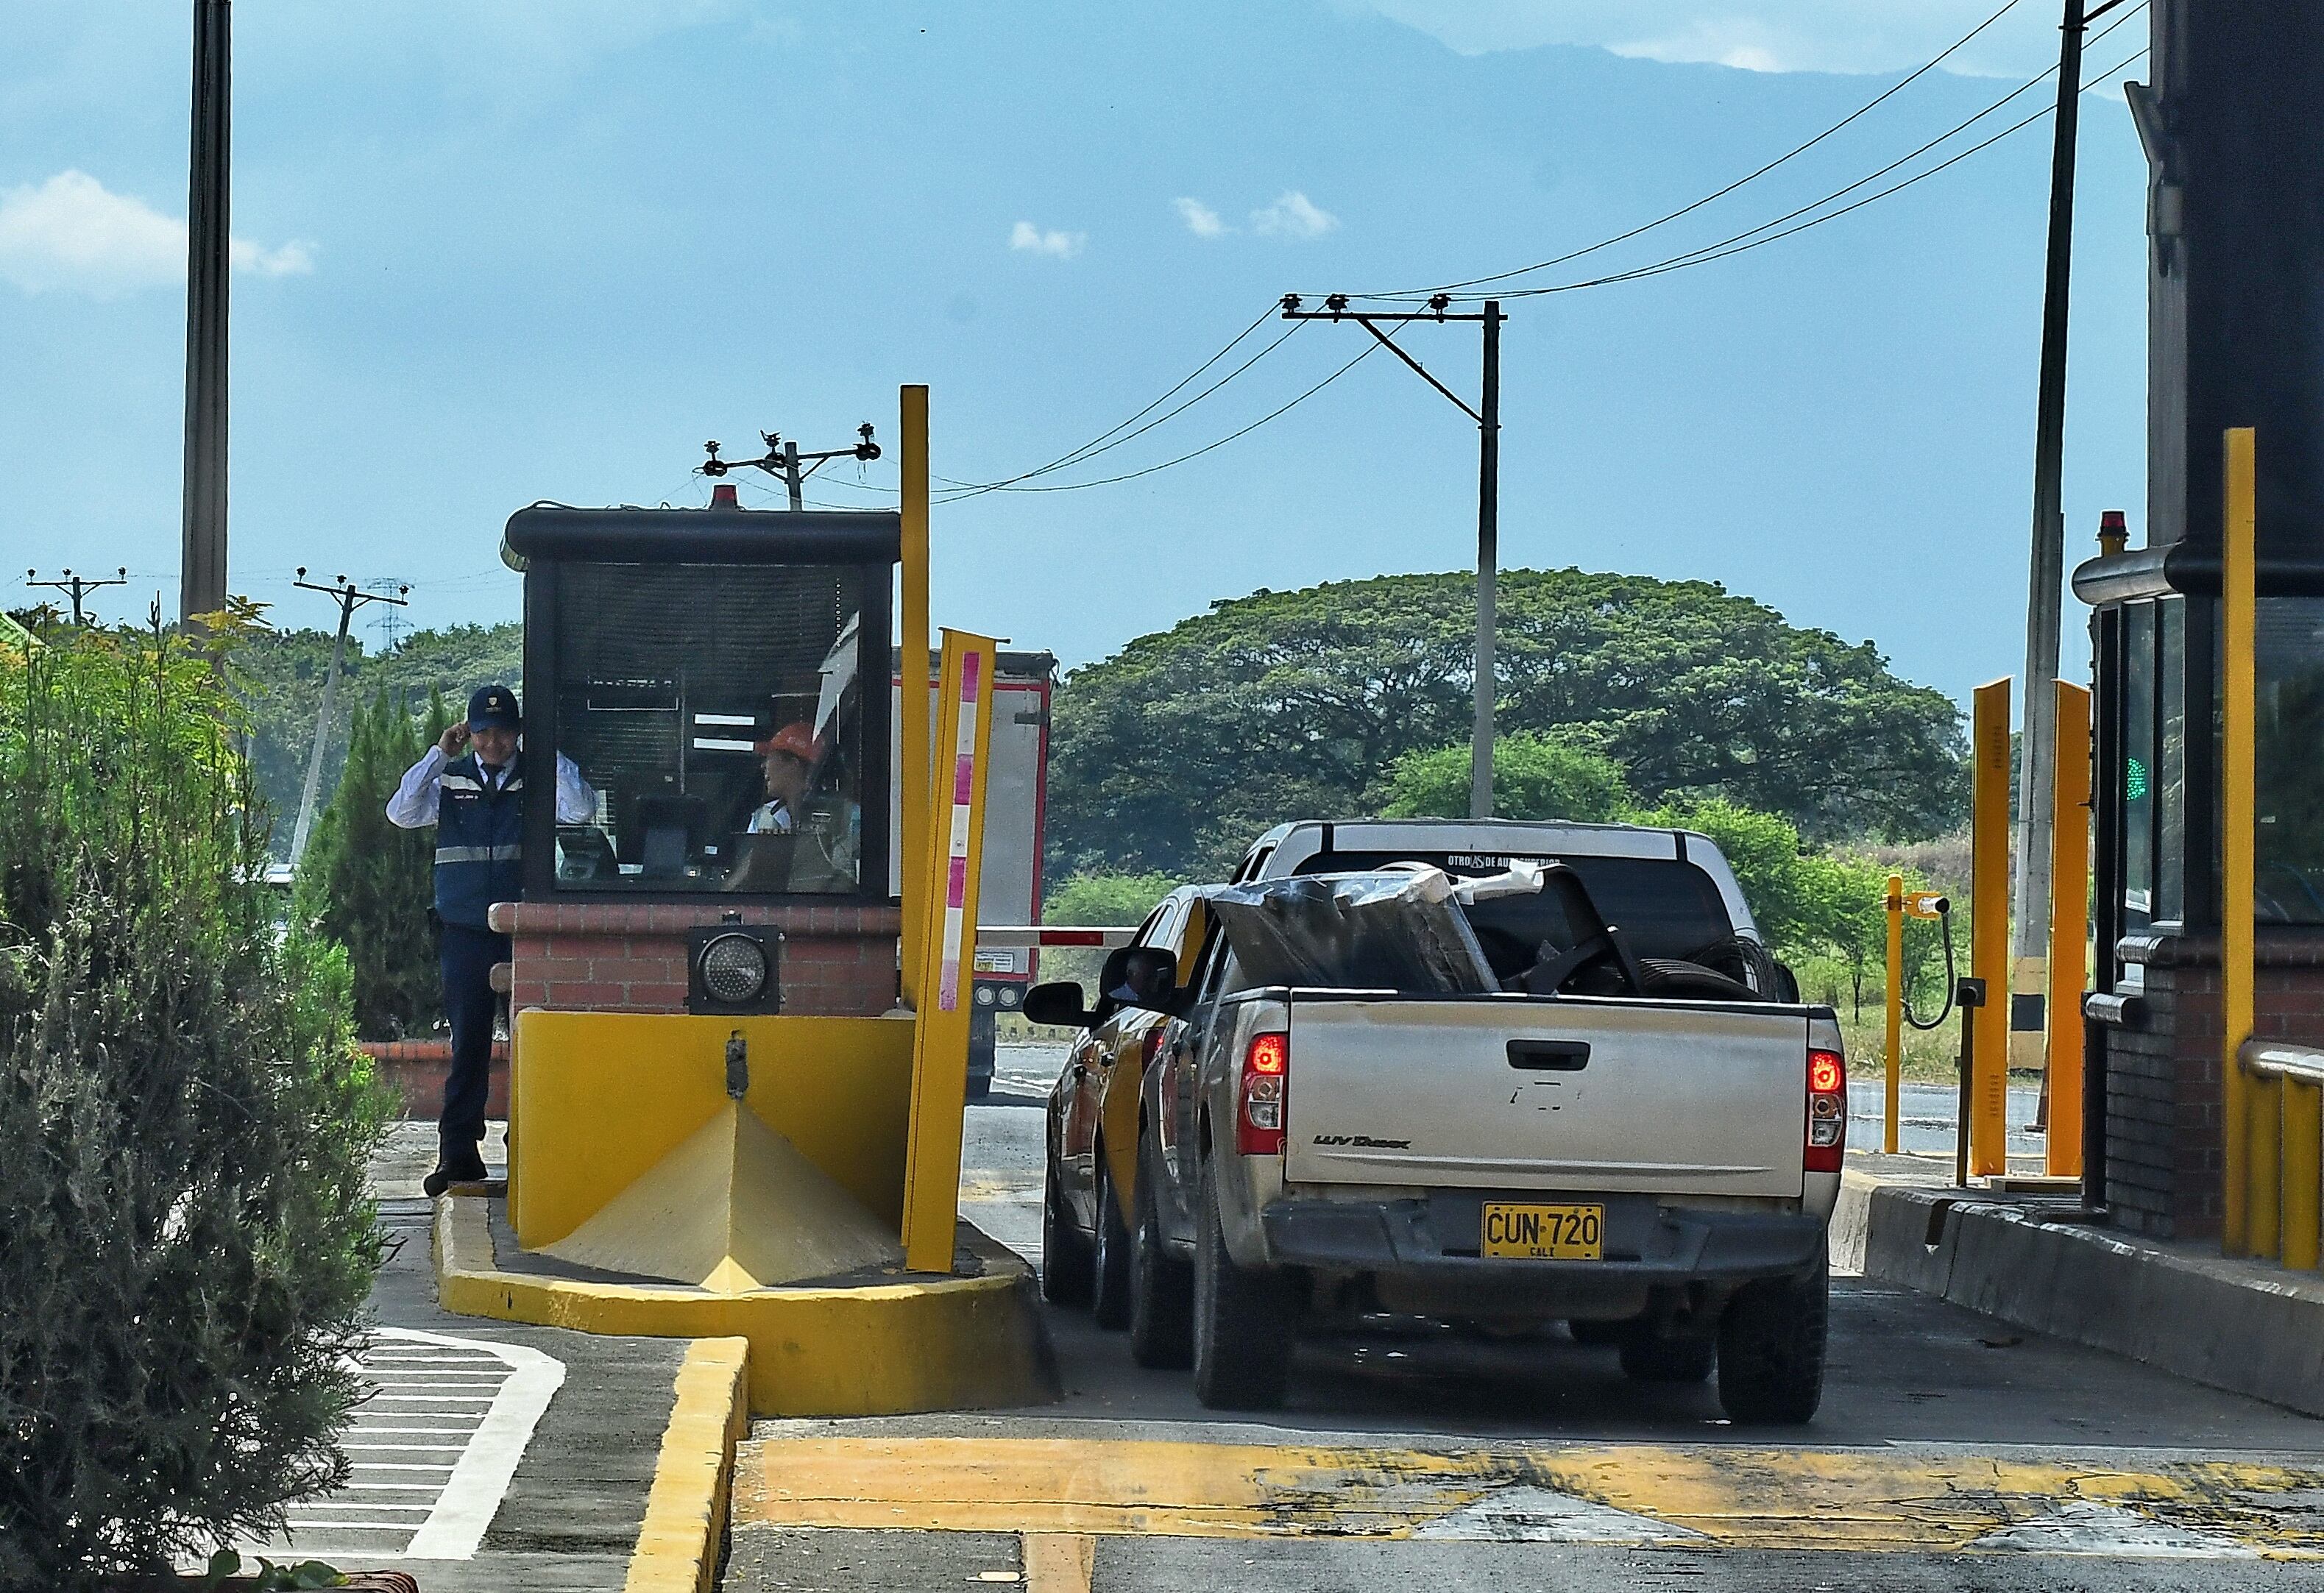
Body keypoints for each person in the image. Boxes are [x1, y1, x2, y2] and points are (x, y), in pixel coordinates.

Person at [386, 684, 597, 1196]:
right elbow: (401, 811)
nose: (493, 742)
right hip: (464, 930)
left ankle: (532, 1151)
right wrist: (440, 753)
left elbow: (582, 809)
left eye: (503, 732)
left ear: (518, 732)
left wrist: (546, 752)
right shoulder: (451, 779)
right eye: (483, 732)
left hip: (523, 931)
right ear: (469, 733)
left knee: (532, 1040)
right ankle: (459, 1154)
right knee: (469, 1044)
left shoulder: (537, 779)